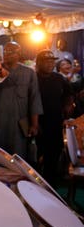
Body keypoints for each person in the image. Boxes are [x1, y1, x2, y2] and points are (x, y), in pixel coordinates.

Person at [0, 42, 43, 160]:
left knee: (17, 157)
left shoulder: (28, 73)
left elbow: (34, 98)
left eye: (11, 52)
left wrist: (34, 124)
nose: (7, 54)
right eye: (5, 51)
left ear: (19, 53)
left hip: (17, 123)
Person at [35, 50, 74, 185]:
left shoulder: (59, 78)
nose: (50, 63)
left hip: (55, 122)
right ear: (39, 63)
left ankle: (51, 184)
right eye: (47, 61)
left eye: (52, 61)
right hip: (37, 123)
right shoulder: (33, 78)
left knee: (54, 152)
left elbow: (69, 95)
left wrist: (68, 106)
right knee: (38, 154)